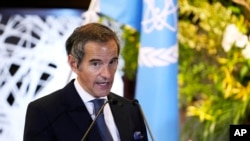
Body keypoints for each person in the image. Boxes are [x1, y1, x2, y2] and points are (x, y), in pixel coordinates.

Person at [23, 23, 148, 141]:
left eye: (112, 62)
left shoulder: (131, 110)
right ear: (74, 64)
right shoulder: (44, 112)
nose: (107, 74)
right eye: (96, 64)